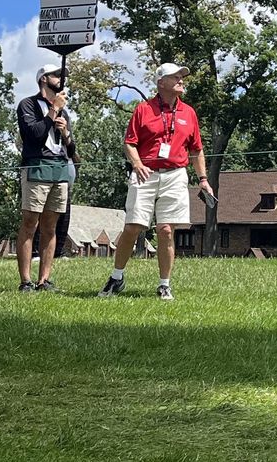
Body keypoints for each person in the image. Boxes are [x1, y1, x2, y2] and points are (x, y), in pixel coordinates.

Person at [101, 64, 213, 301]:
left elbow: (196, 150)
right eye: (177, 76)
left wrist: (203, 179)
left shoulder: (189, 113)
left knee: (165, 230)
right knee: (133, 226)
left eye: (183, 76)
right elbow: (129, 142)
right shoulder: (143, 109)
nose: (182, 80)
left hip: (176, 174)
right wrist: (137, 164)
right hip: (146, 173)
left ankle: (164, 284)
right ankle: (116, 277)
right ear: (161, 82)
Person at [15, 66, 75, 291]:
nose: (61, 79)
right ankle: (26, 281)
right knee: (30, 222)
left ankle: (44, 280)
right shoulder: (28, 105)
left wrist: (66, 134)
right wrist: (52, 112)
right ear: (43, 79)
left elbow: (71, 151)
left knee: (51, 226)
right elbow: (34, 135)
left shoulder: (64, 112)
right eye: (56, 75)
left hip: (59, 169)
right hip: (37, 166)